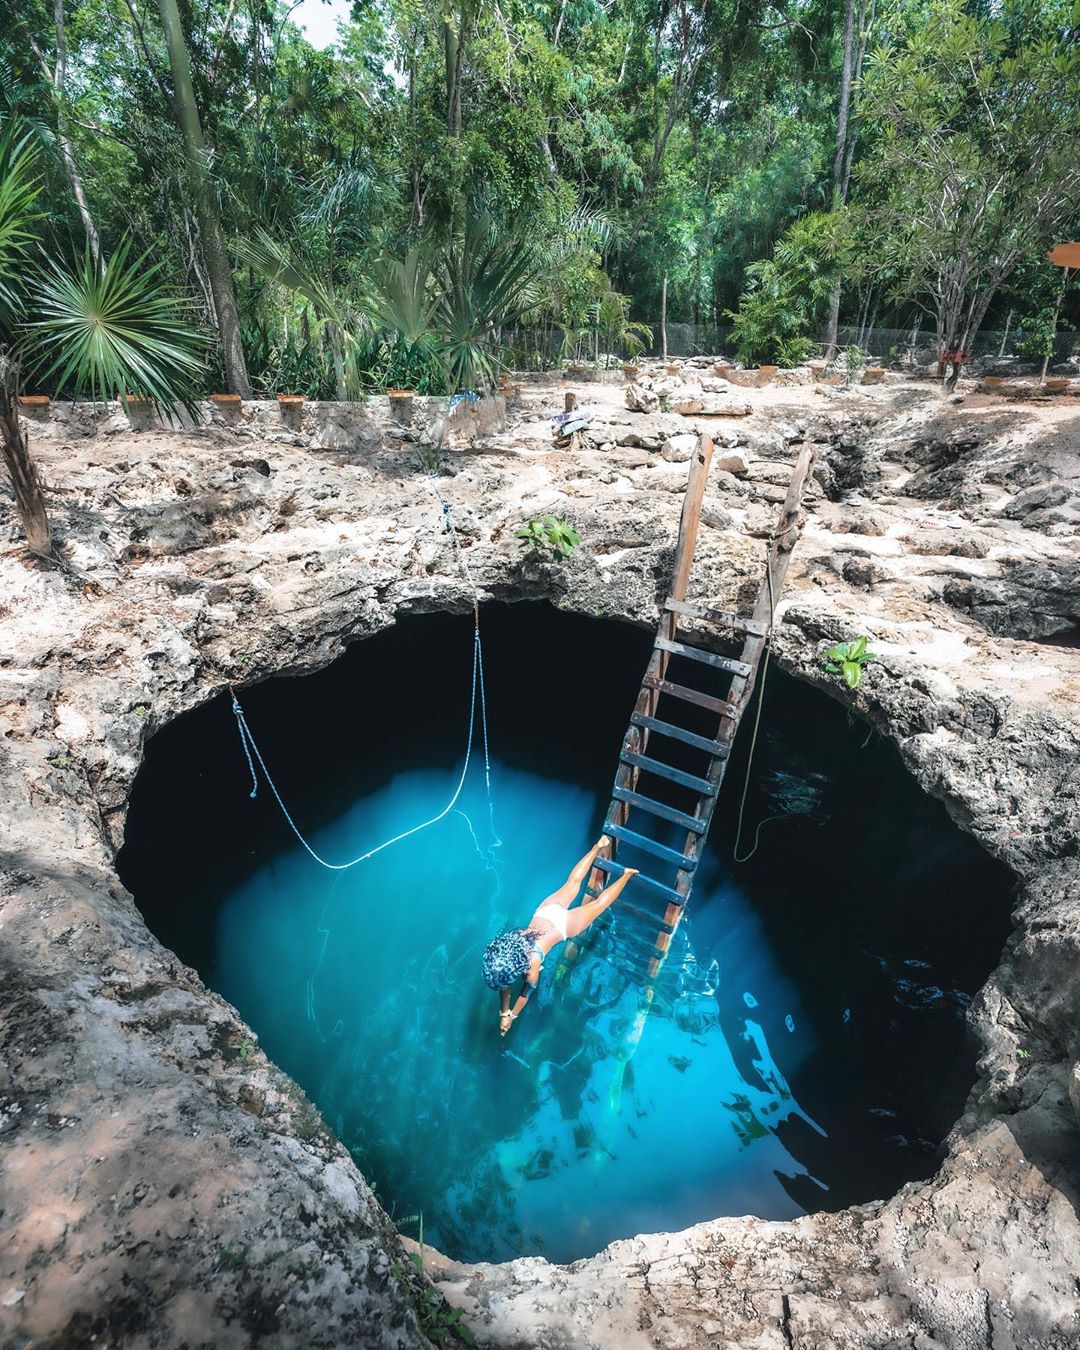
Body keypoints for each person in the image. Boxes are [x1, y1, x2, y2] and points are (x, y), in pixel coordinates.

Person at [481, 836, 638, 1037]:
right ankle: (599, 845)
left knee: (598, 905)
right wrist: (504, 1013)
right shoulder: (511, 943)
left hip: (563, 927)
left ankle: (626, 875)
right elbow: (505, 981)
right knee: (573, 881)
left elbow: (525, 994)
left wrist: (511, 1017)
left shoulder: (532, 970)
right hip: (545, 911)